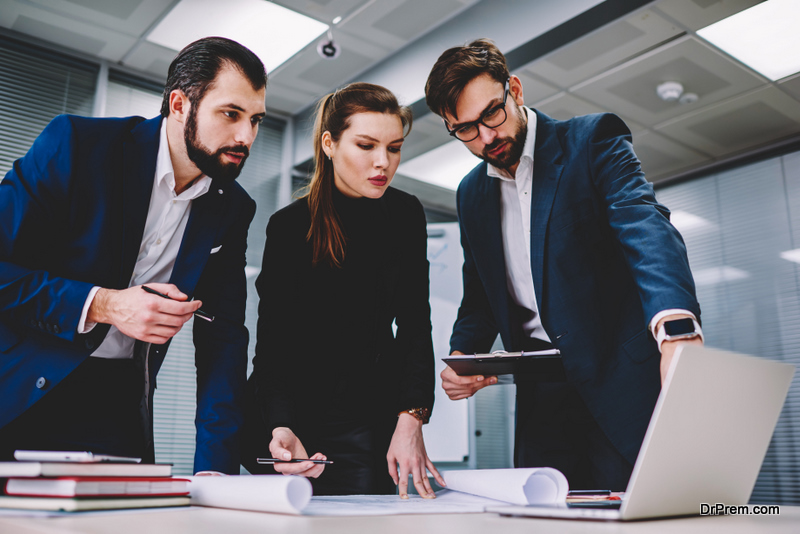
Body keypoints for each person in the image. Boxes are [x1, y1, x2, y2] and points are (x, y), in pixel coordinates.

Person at [424, 39, 703, 490]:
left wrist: (677, 331)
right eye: (466, 130)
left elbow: (644, 224)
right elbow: (481, 292)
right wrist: (462, 353)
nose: (487, 137)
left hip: (620, 386)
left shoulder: (591, 140)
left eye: (492, 114)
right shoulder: (470, 194)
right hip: (542, 405)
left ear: (514, 89)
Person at [0, 37, 266, 474]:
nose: (246, 136)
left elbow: (224, 340)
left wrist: (215, 470)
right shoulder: (79, 147)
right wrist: (106, 304)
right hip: (23, 389)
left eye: (255, 119)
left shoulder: (232, 208)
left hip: (119, 406)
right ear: (180, 104)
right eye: (231, 114)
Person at [244, 82, 445, 497]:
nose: (382, 162)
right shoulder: (289, 226)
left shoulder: (405, 213)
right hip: (297, 417)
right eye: (366, 145)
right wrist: (280, 424)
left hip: (371, 416)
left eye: (393, 148)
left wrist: (411, 419)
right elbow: (275, 344)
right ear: (330, 144)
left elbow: (413, 324)